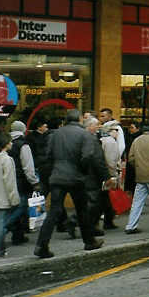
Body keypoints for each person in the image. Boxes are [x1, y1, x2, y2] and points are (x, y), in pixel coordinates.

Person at [34, 109, 112, 259]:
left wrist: (52, 173)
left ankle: (41, 245)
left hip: (57, 176)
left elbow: (48, 155)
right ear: (80, 120)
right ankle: (89, 241)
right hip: (76, 177)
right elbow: (89, 156)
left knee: (54, 211)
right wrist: (84, 172)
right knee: (82, 210)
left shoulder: (55, 134)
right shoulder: (85, 135)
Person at [3, 120, 41, 245]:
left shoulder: (5, 143)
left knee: (12, 207)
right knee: (22, 207)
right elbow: (28, 167)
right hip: (21, 181)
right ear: (23, 130)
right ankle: (2, 229)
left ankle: (18, 235)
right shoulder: (23, 145)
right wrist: (34, 182)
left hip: (6, 179)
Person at [81, 117, 112, 237]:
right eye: (96, 125)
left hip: (83, 174)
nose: (98, 127)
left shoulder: (81, 138)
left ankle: (89, 226)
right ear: (89, 126)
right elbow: (98, 160)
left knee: (89, 202)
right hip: (92, 175)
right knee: (93, 203)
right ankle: (83, 225)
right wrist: (106, 176)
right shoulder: (92, 140)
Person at [98, 121, 122, 229]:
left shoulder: (102, 140)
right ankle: (74, 220)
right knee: (101, 200)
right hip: (107, 175)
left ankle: (108, 220)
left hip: (101, 174)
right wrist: (113, 176)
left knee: (104, 199)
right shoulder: (111, 142)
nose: (118, 132)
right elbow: (111, 161)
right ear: (111, 131)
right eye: (116, 130)